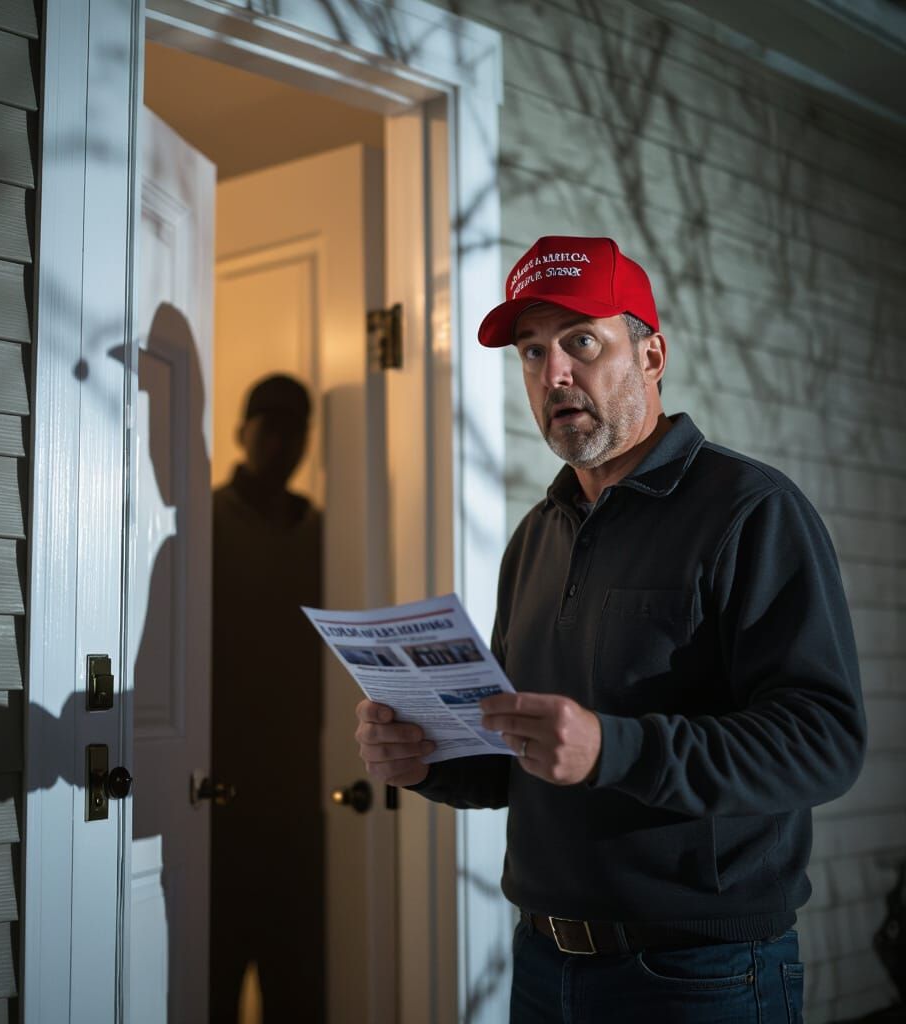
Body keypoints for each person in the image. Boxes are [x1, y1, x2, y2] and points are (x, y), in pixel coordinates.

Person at [354, 236, 867, 1022]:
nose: (552, 373)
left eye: (580, 342)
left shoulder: (752, 511)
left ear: (652, 353)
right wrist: (426, 760)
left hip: (702, 976)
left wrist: (612, 748)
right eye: (530, 353)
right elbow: (521, 758)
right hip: (541, 964)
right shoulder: (537, 535)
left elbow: (824, 740)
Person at [211, 374, 324, 1023]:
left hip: (302, 801)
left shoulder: (325, 533)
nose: (282, 441)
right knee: (212, 979)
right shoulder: (204, 523)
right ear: (243, 431)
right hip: (221, 799)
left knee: (299, 986)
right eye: (269, 425)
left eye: (295, 428)